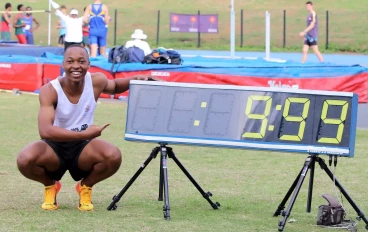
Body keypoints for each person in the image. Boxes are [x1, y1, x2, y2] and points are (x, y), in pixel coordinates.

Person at [16, 44, 159, 211]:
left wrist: (139, 78)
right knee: (25, 159)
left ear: (89, 64)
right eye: (70, 61)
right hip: (54, 145)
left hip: (83, 147)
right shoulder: (50, 90)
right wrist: (84, 133)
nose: (76, 66)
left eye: (81, 61)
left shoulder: (96, 81)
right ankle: (50, 186)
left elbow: (115, 85)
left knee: (113, 156)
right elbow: (45, 131)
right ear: (63, 64)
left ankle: (85, 187)